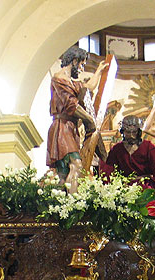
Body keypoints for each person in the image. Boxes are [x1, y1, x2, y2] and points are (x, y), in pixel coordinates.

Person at [46, 46, 108, 188]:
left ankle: (62, 203)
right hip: (62, 127)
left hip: (70, 128)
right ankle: (73, 205)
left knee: (63, 173)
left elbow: (88, 88)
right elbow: (71, 105)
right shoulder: (59, 79)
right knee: (77, 166)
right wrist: (89, 120)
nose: (81, 68)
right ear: (74, 60)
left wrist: (99, 70)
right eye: (81, 64)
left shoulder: (72, 82)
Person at [99, 115, 155, 190]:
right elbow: (109, 168)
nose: (131, 136)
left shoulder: (148, 146)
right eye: (128, 132)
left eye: (134, 132)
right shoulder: (117, 149)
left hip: (145, 186)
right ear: (123, 131)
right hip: (124, 187)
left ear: (139, 132)